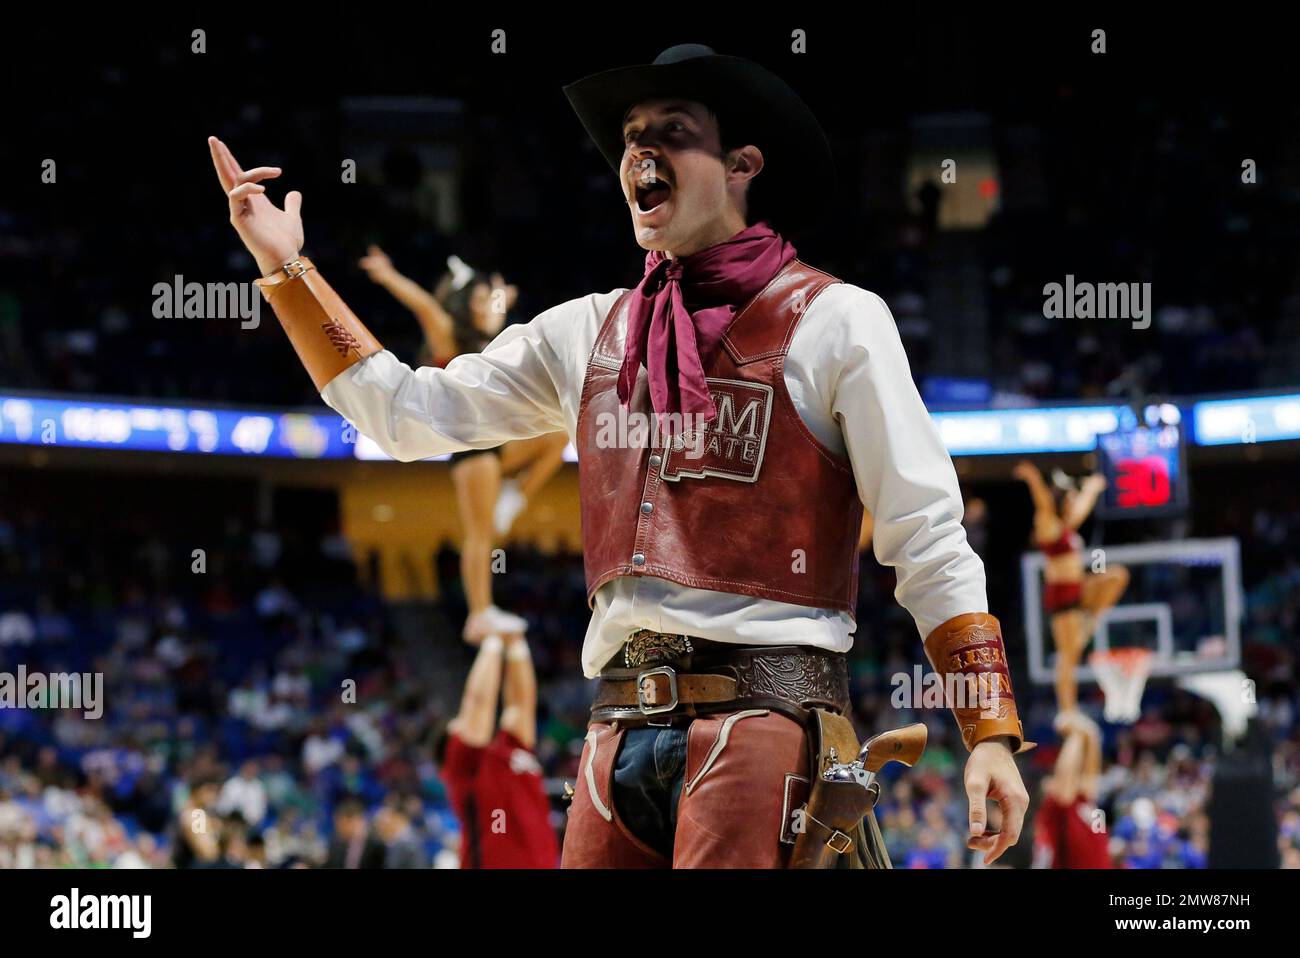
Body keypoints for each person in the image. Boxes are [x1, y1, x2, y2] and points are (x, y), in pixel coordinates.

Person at [208, 41, 1031, 869]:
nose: (640, 150)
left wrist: (988, 730)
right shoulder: (587, 330)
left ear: (743, 163)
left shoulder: (840, 321)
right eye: (632, 136)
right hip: (614, 733)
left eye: (672, 131)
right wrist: (286, 269)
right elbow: (405, 416)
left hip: (764, 723)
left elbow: (926, 533)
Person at [358, 247, 568, 639]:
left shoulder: (489, 336)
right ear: (460, 305)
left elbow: (497, 313)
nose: (486, 305)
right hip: (473, 448)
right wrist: (387, 275)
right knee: (480, 534)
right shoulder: (449, 335)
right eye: (476, 299)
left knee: (559, 434)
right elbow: (423, 305)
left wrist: (499, 294)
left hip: (499, 443)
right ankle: (480, 612)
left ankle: (514, 498)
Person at [1013, 461, 1130, 713]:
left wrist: (1092, 488)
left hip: (1078, 589)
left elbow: (1080, 509)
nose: (1074, 501)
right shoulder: (1048, 523)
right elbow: (1045, 503)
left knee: (1116, 576)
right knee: (1069, 658)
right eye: (1071, 497)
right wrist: (1034, 478)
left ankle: (1091, 621)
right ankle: (1067, 710)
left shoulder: (1067, 527)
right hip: (1061, 596)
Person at [435, 632, 559, 868]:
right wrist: (491, 640)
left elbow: (521, 705)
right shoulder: (462, 765)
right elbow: (479, 702)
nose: (467, 720)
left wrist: (515, 644)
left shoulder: (508, 751)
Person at [1033, 710, 1111, 868]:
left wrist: (1091, 734)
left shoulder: (1084, 802)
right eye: (1051, 780)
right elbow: (1065, 776)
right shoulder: (1055, 809)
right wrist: (1075, 736)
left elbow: (1090, 774)